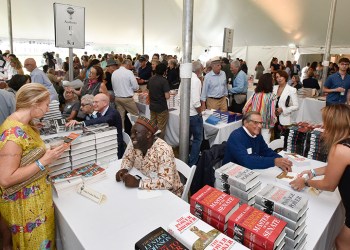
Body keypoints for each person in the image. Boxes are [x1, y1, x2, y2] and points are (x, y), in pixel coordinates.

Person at [0, 83, 66, 249]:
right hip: (25, 207)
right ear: (35, 103)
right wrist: (44, 161)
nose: (47, 109)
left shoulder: (26, 125)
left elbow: (26, 155)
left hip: (36, 201)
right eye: (46, 104)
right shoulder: (12, 134)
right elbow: (6, 179)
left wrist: (48, 153)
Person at [290, 104, 350, 250]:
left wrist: (305, 182)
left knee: (342, 242)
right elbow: (337, 167)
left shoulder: (340, 149)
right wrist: (313, 172)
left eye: (325, 122)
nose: (323, 126)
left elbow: (329, 185)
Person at [115, 116, 184, 197]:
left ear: (148, 134)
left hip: (169, 194)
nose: (132, 136)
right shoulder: (135, 143)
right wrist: (124, 169)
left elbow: (167, 182)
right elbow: (128, 158)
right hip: (146, 187)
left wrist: (139, 183)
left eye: (136, 133)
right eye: (132, 133)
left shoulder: (163, 150)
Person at [222, 111, 292, 171]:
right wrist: (274, 161)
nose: (260, 126)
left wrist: (282, 160)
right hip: (232, 172)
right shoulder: (236, 136)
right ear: (246, 123)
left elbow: (265, 151)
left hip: (249, 170)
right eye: (256, 122)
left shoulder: (257, 135)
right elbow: (246, 161)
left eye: (261, 123)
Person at [66, 93, 124, 158]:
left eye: (96, 102)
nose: (93, 104)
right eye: (93, 102)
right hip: (104, 140)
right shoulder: (99, 111)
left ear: (104, 103)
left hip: (114, 147)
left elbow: (103, 120)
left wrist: (81, 123)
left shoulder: (113, 113)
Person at [178, 61, 203, 167]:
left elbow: (179, 97)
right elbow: (196, 102)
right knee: (197, 139)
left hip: (184, 114)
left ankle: (184, 160)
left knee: (185, 138)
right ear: (199, 70)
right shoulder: (196, 81)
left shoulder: (184, 78)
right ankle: (192, 163)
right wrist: (200, 112)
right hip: (193, 115)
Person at [243, 73, 277, 143]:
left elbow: (245, 108)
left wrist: (247, 119)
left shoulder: (255, 94)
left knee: (252, 143)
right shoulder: (272, 96)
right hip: (265, 125)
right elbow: (271, 114)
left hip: (253, 123)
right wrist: (272, 125)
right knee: (265, 144)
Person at [111, 59, 139, 129]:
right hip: (127, 99)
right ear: (128, 65)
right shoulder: (129, 72)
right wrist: (132, 89)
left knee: (121, 118)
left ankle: (122, 134)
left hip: (117, 98)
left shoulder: (114, 72)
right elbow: (135, 87)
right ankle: (135, 133)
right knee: (135, 116)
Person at [273, 70, 299, 139]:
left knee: (283, 140)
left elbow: (296, 106)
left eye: (281, 76)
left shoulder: (292, 90)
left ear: (285, 77)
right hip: (274, 118)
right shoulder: (274, 88)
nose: (279, 78)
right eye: (277, 77)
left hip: (284, 118)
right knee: (275, 139)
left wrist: (283, 110)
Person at [147, 63, 170, 139]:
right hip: (161, 107)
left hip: (152, 106)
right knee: (161, 128)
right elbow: (167, 96)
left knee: (152, 125)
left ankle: (151, 142)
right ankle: (159, 146)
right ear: (164, 71)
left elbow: (148, 91)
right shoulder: (164, 81)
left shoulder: (151, 79)